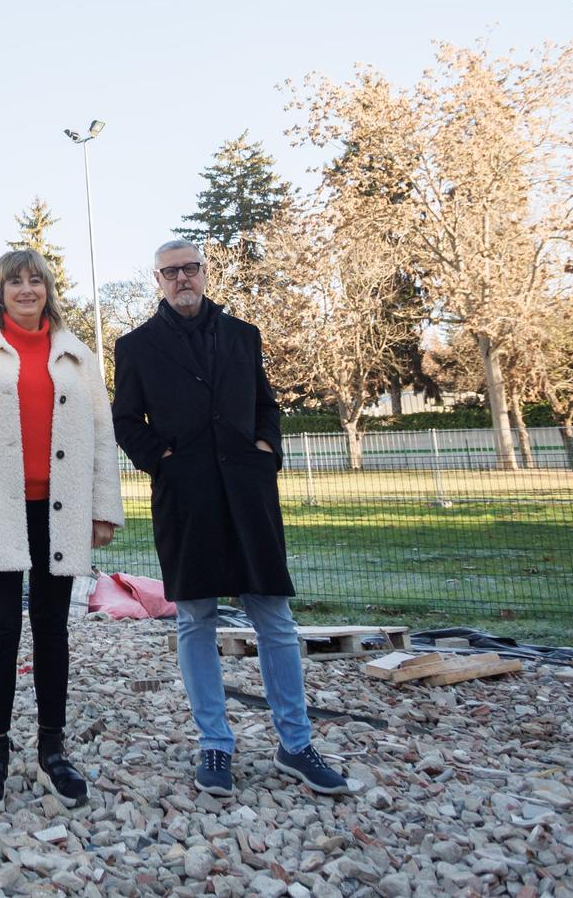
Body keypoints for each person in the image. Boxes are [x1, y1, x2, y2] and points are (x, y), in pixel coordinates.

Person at [110, 239, 355, 798]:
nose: (182, 279)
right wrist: (163, 463)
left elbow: (266, 405)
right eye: (170, 272)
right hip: (187, 497)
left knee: (274, 618)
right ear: (158, 280)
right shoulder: (136, 346)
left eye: (190, 268)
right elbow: (126, 420)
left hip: (248, 492)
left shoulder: (244, 336)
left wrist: (267, 448)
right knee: (195, 618)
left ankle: (296, 744)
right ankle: (214, 744)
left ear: (204, 271)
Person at [0, 249, 125, 810]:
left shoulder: (77, 356)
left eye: (34, 279)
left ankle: (52, 750)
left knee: (52, 630)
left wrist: (102, 508)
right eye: (14, 281)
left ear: (48, 289)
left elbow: (100, 435)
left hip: (59, 511)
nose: (25, 289)